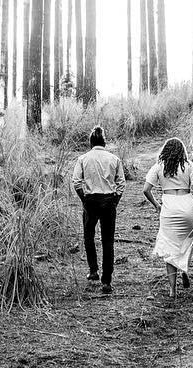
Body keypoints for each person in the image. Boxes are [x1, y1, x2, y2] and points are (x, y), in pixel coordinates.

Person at [142, 137, 193, 298]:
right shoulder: (189, 166)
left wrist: (156, 205)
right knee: (187, 242)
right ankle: (184, 270)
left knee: (169, 248)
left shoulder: (158, 167)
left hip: (169, 209)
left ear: (165, 151)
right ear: (182, 151)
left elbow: (146, 189)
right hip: (187, 207)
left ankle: (172, 290)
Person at [71, 125, 126, 294]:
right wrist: (115, 200)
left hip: (90, 201)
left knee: (89, 236)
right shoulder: (114, 159)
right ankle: (107, 281)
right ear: (104, 142)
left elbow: (76, 182)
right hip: (109, 200)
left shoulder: (83, 159)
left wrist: (84, 200)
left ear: (90, 142)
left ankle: (93, 270)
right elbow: (121, 183)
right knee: (108, 241)